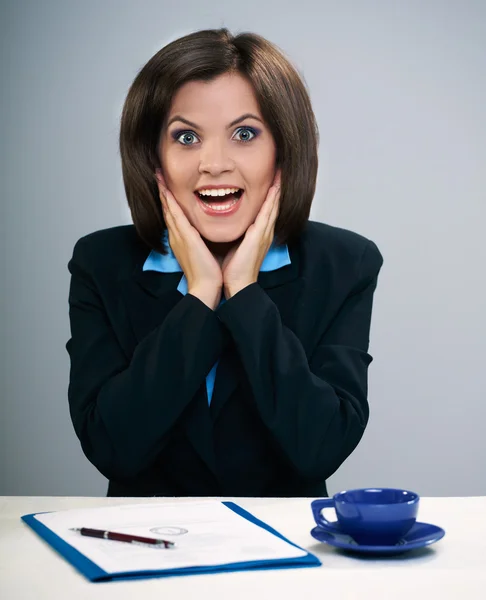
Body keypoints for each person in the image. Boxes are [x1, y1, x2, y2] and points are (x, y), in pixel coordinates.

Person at [66, 28, 384, 497]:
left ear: (283, 148)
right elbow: (113, 448)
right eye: (187, 137)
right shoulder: (101, 263)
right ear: (153, 155)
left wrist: (243, 291)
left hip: (285, 555)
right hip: (149, 550)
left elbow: (320, 446)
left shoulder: (344, 264)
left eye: (244, 134)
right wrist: (199, 296)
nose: (214, 164)